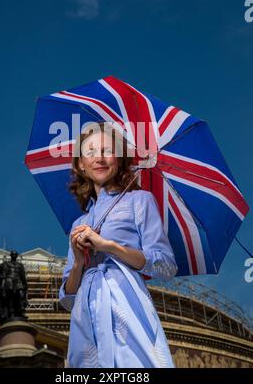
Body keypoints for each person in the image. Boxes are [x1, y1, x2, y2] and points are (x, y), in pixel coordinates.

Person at [59, 122, 178, 368]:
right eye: (90, 152)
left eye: (107, 151)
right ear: (81, 164)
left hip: (126, 305)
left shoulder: (140, 201)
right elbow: (68, 298)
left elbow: (166, 266)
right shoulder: (78, 224)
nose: (99, 158)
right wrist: (79, 262)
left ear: (119, 159)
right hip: (86, 316)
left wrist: (108, 246)